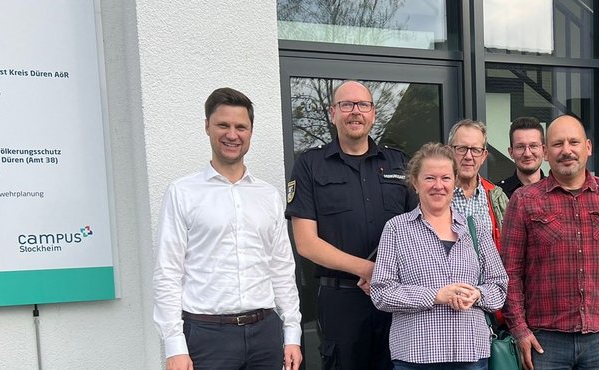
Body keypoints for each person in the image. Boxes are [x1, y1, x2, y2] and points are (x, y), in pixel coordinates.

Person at [153, 87, 302, 370]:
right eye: (223, 125)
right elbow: (167, 272)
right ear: (207, 126)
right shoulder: (182, 192)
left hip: (265, 333)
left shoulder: (267, 195)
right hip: (207, 337)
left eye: (240, 127)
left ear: (250, 132)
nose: (232, 134)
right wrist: (174, 345)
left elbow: (281, 267)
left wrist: (292, 333)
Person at [286, 80, 417, 370]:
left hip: (395, 298)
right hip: (341, 300)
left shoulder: (399, 163)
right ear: (333, 113)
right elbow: (306, 243)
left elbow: (419, 229)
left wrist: (390, 275)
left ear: (373, 113)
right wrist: (367, 269)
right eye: (346, 105)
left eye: (363, 105)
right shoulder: (310, 165)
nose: (355, 112)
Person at [501, 114, 599, 370]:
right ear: (546, 152)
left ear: (587, 147)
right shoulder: (524, 200)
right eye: (557, 144)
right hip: (544, 342)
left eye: (573, 142)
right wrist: (520, 331)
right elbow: (510, 273)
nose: (566, 150)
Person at [371, 143, 508, 370]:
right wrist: (435, 295)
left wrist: (477, 294)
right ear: (415, 183)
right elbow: (381, 292)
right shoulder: (396, 229)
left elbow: (499, 288)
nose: (438, 186)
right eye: (429, 178)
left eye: (445, 178)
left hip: (470, 355)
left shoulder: (475, 229)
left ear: (454, 182)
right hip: (415, 357)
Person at [448, 119, 508, 246]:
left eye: (475, 150)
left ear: (484, 156)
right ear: (450, 152)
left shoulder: (497, 197)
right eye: (462, 148)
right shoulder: (436, 193)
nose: (469, 156)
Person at [496, 116, 546, 198]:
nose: (527, 154)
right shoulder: (497, 194)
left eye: (533, 146)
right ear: (511, 152)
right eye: (520, 147)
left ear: (544, 150)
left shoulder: (558, 192)